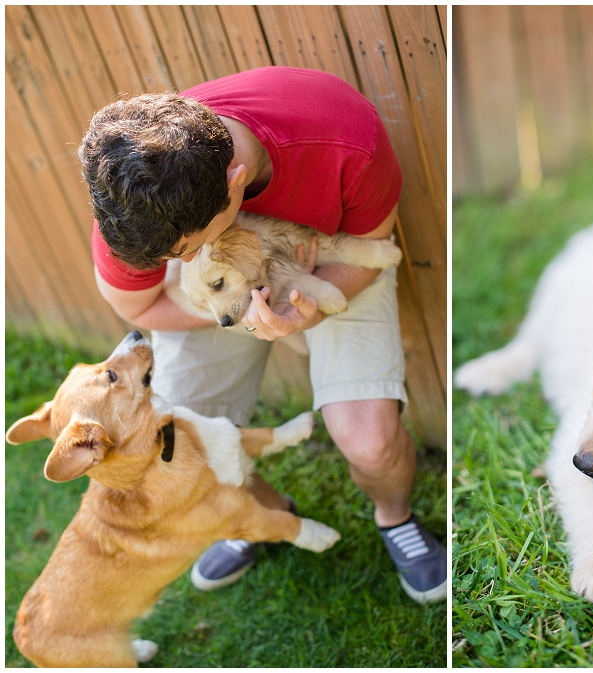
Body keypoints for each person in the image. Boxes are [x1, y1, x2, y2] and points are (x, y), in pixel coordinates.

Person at [78, 66, 446, 604]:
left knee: (370, 442)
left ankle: (395, 517)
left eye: (180, 252)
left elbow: (372, 245)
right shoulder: (135, 199)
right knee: (177, 447)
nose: (169, 260)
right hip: (209, 300)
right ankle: (264, 514)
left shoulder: (346, 139)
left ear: (235, 186)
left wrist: (307, 311)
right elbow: (139, 303)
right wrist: (238, 311)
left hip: (329, 262)